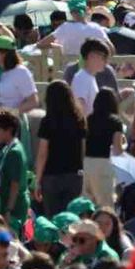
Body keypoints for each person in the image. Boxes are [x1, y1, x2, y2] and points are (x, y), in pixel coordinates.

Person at [34, 80, 87, 216]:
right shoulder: (79, 119)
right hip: (74, 174)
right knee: (72, 218)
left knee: (53, 218)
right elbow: (83, 149)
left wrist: (37, 181)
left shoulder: (48, 121)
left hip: (51, 175)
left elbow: (42, 153)